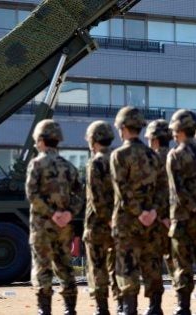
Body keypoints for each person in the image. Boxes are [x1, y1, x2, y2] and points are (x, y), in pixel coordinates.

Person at [110, 106, 165, 315]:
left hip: (127, 221)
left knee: (126, 265)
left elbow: (121, 190)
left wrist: (139, 211)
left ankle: (129, 309)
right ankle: (155, 308)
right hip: (151, 222)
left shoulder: (119, 155)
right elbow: (163, 189)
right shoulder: (153, 155)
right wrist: (152, 212)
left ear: (123, 127)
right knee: (152, 264)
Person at [26, 119, 84, 315]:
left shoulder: (36, 164)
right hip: (63, 228)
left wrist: (52, 213)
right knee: (65, 266)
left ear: (41, 140)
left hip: (42, 226)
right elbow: (81, 194)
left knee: (42, 267)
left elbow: (32, 194)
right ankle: (70, 310)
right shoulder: (68, 166)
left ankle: (45, 311)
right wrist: (68, 214)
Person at [166, 109, 196, 315]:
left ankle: (184, 307)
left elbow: (177, 190)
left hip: (182, 219)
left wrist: (192, 208)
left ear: (181, 130)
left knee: (182, 265)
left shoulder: (175, 155)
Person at [83, 121, 119, 315]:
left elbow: (96, 197)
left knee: (97, 268)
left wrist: (106, 219)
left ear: (93, 140)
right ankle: (122, 305)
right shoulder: (117, 158)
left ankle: (101, 308)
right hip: (119, 223)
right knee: (117, 267)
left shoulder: (95, 162)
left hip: (98, 225)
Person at [144, 119, 175, 294]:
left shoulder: (149, 160)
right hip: (175, 218)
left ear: (154, 139)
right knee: (176, 262)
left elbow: (146, 190)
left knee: (152, 262)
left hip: (154, 219)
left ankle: (155, 305)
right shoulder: (176, 156)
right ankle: (182, 303)